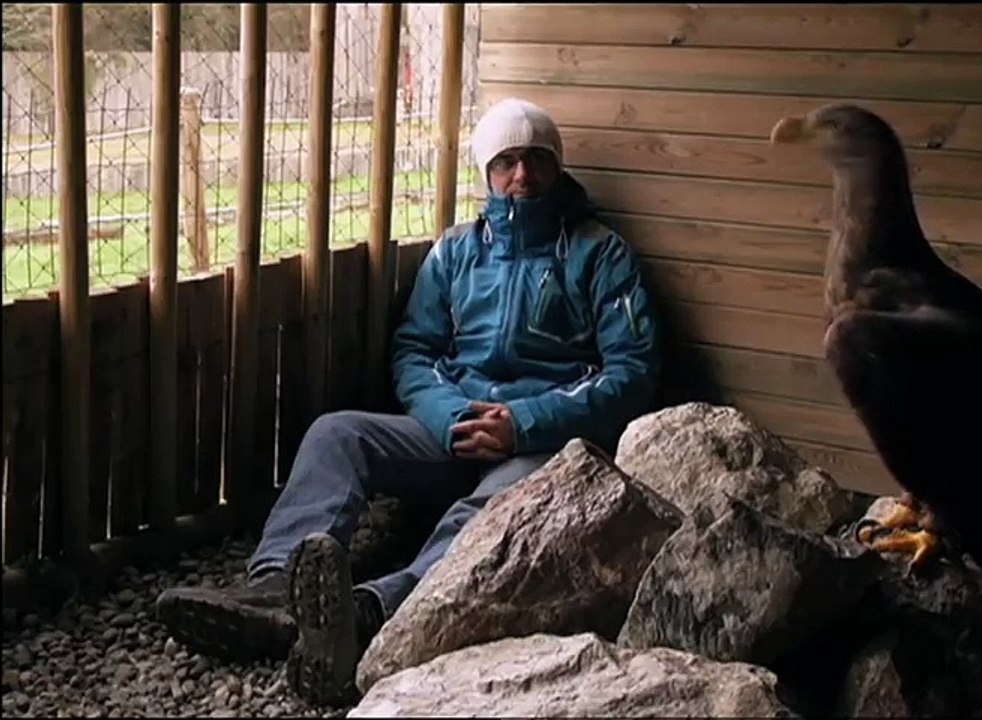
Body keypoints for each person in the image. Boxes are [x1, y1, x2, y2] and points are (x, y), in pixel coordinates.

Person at [154, 97, 662, 704]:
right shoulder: (454, 251)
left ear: (557, 168)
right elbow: (414, 351)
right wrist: (447, 417)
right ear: (485, 172)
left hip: (542, 442)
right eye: (506, 161)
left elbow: (633, 371)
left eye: (536, 160)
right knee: (338, 434)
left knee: (488, 515)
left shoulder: (599, 252)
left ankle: (372, 611)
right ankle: (274, 593)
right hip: (454, 426)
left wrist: (524, 422)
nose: (522, 175)